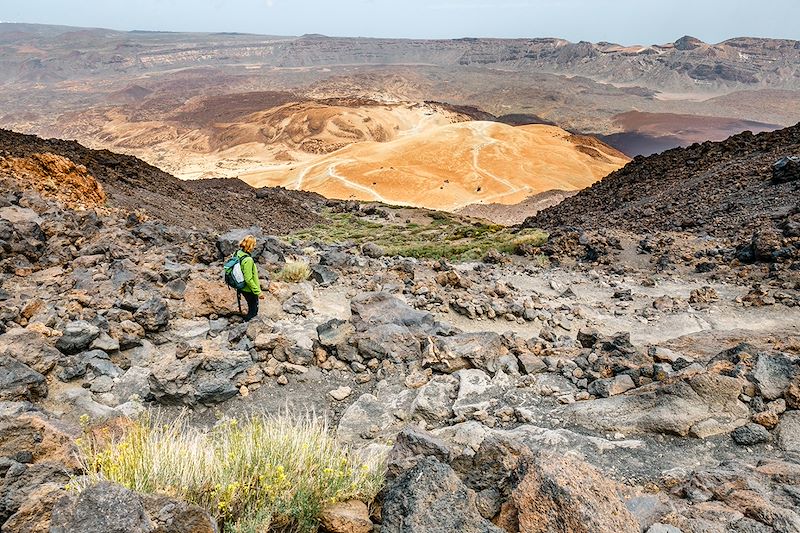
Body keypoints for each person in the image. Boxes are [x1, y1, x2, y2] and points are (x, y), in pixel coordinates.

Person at [235, 235, 264, 321]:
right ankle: (247, 328)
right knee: (253, 311)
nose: (255, 247)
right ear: (250, 246)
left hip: (241, 286)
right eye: (254, 245)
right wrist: (258, 292)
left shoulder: (238, 253)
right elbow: (248, 279)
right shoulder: (248, 260)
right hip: (249, 289)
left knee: (250, 307)